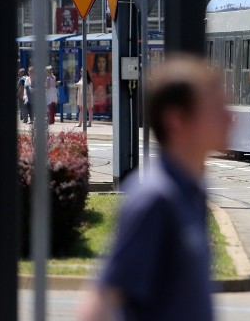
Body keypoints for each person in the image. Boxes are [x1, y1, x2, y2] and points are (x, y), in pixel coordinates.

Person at [79, 54, 231, 321]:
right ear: (176, 120)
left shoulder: (192, 190)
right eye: (216, 109)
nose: (230, 119)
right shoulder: (155, 198)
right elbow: (99, 303)